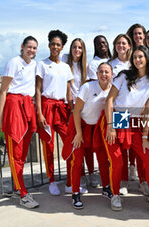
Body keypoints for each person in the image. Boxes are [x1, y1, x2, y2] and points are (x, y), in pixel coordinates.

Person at [102, 45, 149, 217]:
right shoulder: (124, 76)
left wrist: (145, 137)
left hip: (135, 122)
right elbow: (109, 100)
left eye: (140, 56)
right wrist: (110, 125)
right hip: (117, 118)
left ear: (147, 58)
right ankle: (115, 195)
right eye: (135, 57)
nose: (137, 60)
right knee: (117, 161)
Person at [62, 62, 113, 209]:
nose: (104, 74)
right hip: (80, 125)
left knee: (103, 159)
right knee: (77, 161)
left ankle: (106, 187)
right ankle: (75, 193)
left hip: (97, 128)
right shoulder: (88, 87)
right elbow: (76, 111)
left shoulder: (113, 90)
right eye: (101, 72)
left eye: (106, 72)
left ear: (111, 74)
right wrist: (78, 133)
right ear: (96, 74)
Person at [0, 36, 39, 209]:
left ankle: (16, 187)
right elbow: (3, 90)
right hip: (14, 107)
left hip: (28, 105)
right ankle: (22, 193)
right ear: (22, 47)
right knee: (16, 152)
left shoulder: (34, 65)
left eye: (35, 48)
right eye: (29, 47)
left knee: (23, 153)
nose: (31, 50)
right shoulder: (14, 62)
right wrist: (0, 117)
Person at [35, 30, 73, 196]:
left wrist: (72, 111)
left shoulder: (65, 67)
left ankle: (71, 182)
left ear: (62, 47)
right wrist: (39, 113)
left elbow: (69, 90)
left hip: (62, 108)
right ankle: (52, 180)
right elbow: (37, 90)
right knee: (48, 146)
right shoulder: (42, 64)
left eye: (58, 44)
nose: (55, 47)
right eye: (53, 44)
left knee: (70, 143)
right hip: (47, 107)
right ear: (49, 45)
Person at [62, 38, 95, 191]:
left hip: (82, 107)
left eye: (80, 48)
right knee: (72, 143)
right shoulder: (64, 62)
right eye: (75, 47)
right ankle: (72, 181)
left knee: (83, 143)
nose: (77, 50)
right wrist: (71, 107)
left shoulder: (86, 67)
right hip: (70, 107)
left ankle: (83, 175)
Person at [109, 34, 132, 195]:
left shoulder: (135, 63)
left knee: (137, 149)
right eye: (118, 43)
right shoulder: (111, 65)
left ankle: (143, 180)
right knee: (122, 148)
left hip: (136, 112)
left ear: (129, 45)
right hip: (120, 111)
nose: (121, 46)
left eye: (124, 43)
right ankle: (123, 181)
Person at [126, 23, 148, 189]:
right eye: (135, 34)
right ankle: (119, 186)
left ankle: (144, 181)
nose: (138, 36)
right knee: (118, 149)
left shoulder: (148, 57)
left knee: (142, 148)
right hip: (122, 113)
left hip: (140, 112)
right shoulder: (119, 63)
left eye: (140, 33)